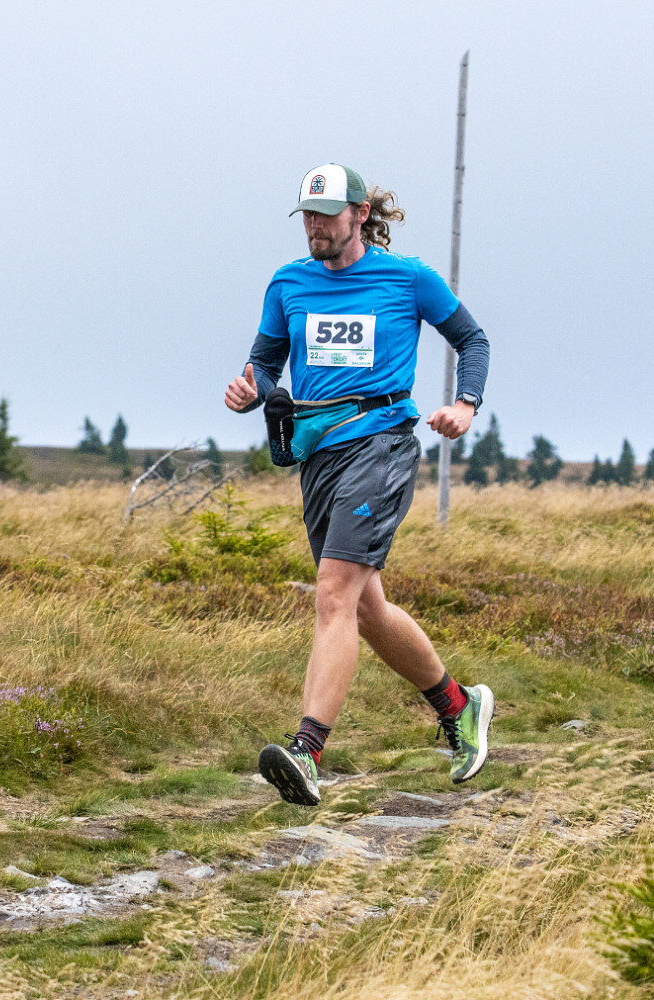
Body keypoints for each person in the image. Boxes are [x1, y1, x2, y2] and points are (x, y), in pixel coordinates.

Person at [224, 163, 494, 806]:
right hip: (318, 453)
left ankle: (306, 751)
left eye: (326, 216)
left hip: (381, 443)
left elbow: (472, 339)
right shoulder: (289, 283)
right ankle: (459, 707)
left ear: (360, 215)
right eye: (307, 217)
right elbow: (264, 362)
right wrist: (253, 389)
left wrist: (465, 404)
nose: (315, 227)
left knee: (333, 594)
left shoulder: (408, 278)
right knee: (366, 609)